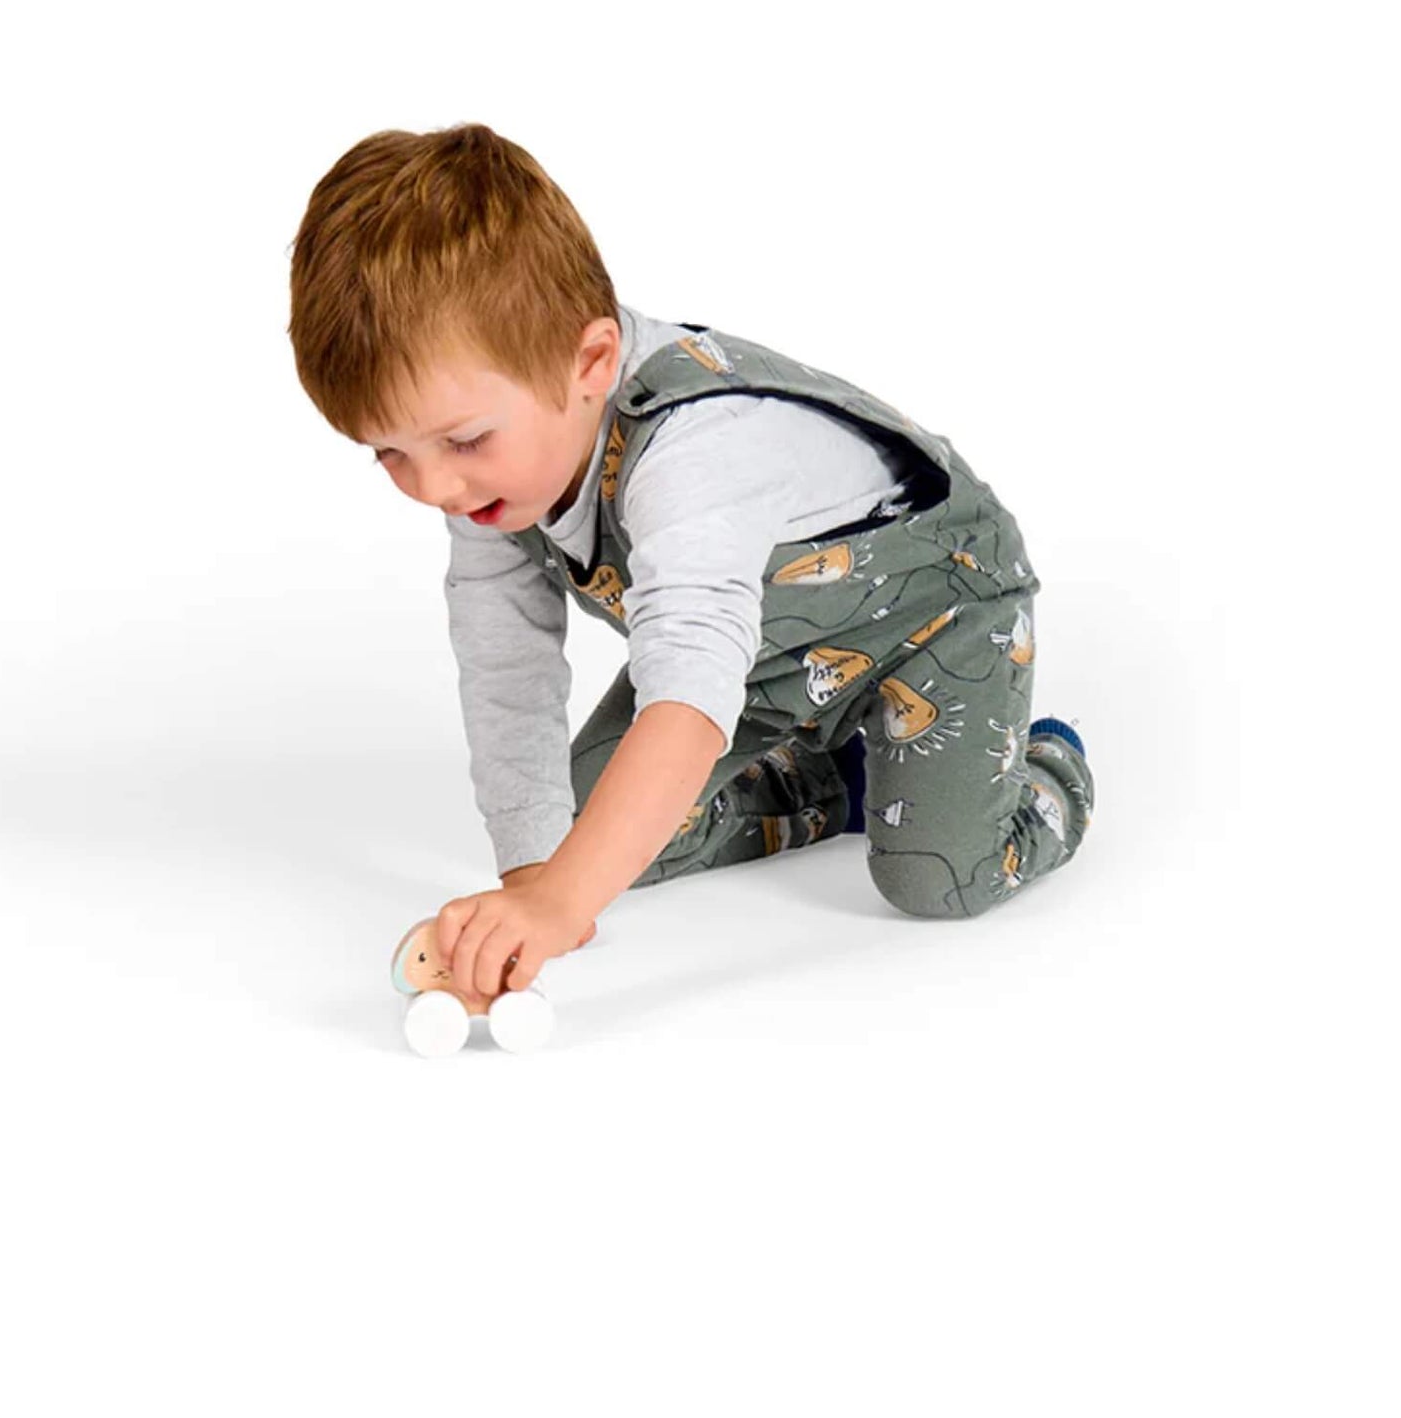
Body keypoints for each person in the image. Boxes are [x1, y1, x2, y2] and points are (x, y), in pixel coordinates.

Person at [286, 123, 1096, 1006]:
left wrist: (563, 901)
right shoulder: (488, 476)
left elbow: (684, 692)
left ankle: (1036, 766)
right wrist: (535, 877)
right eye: (389, 455)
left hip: (937, 613)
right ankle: (844, 775)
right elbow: (505, 669)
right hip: (759, 660)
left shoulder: (694, 451)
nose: (433, 485)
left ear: (591, 361)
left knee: (941, 878)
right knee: (581, 835)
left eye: (464, 440)